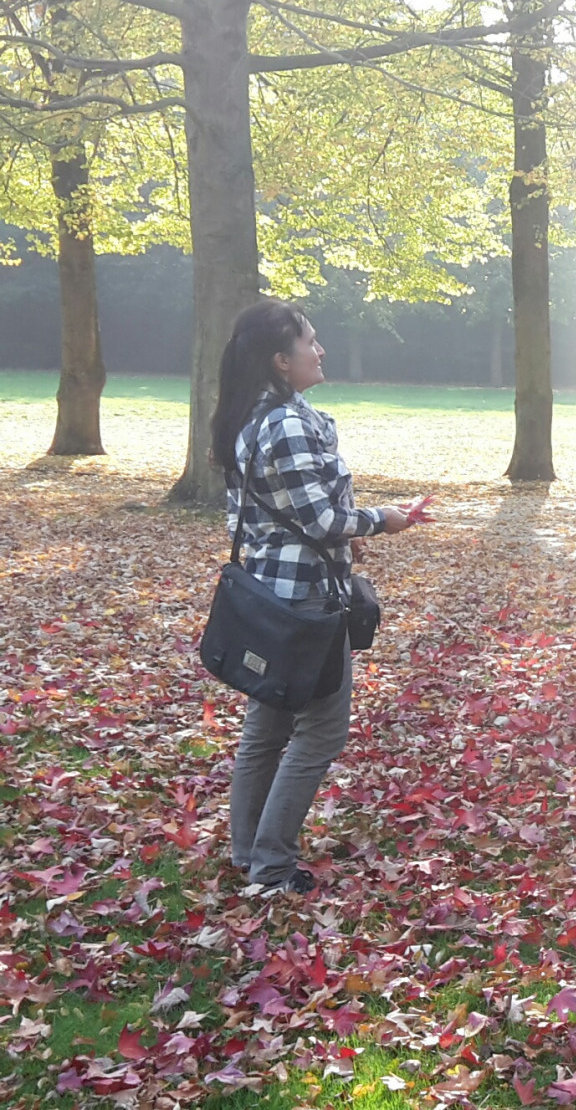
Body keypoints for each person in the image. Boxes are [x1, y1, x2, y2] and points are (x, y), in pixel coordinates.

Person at [209, 299, 416, 896]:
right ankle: (271, 866)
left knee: (266, 726)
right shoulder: (288, 424)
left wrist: (341, 545)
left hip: (268, 594)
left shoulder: (249, 418)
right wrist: (382, 520)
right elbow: (325, 517)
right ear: (280, 359)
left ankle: (249, 851)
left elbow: (261, 522)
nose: (320, 350)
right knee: (321, 731)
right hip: (303, 604)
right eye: (310, 342)